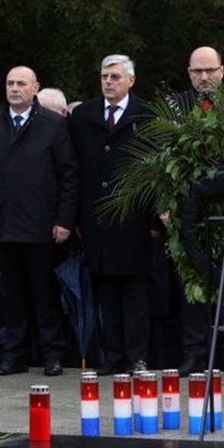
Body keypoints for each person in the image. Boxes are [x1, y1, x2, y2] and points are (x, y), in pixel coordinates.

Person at [0, 66, 78, 376]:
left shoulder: (53, 125)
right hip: (4, 227)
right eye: (9, 83)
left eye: (21, 83)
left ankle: (52, 354)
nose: (14, 88)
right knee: (14, 297)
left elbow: (69, 175)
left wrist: (64, 219)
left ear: (35, 88)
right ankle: (14, 354)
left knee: (45, 295)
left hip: (43, 226)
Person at [68, 55, 158, 375]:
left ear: (131, 80)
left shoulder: (146, 114)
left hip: (133, 218)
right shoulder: (83, 115)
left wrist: (152, 221)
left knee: (133, 293)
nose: (108, 82)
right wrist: (75, 217)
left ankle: (137, 356)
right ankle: (113, 354)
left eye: (115, 77)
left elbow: (155, 170)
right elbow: (73, 169)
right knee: (105, 290)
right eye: (105, 76)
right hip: (96, 218)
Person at [170, 46, 224, 375]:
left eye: (209, 71)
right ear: (189, 73)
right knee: (192, 284)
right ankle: (194, 353)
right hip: (190, 208)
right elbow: (164, 158)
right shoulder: (175, 107)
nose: (203, 77)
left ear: (222, 71)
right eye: (197, 72)